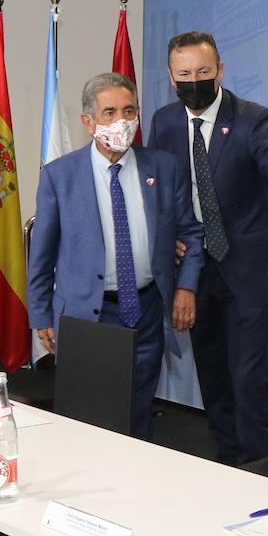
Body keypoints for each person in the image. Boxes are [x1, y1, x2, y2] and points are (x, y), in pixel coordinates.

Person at [148, 32, 268, 465]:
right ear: (171, 77)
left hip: (248, 271)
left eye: (203, 72)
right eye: (184, 74)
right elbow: (161, 196)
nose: (194, 81)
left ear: (220, 70)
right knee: (214, 379)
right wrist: (172, 244)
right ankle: (226, 464)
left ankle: (257, 470)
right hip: (196, 274)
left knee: (247, 380)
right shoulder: (165, 124)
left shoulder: (252, 120)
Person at [28, 73, 204, 440]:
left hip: (145, 312)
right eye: (109, 112)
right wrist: (41, 313)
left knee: (137, 415)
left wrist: (186, 287)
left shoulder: (164, 168)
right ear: (87, 121)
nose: (120, 121)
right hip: (84, 314)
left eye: (128, 110)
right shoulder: (60, 176)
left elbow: (190, 232)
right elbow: (41, 255)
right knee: (84, 419)